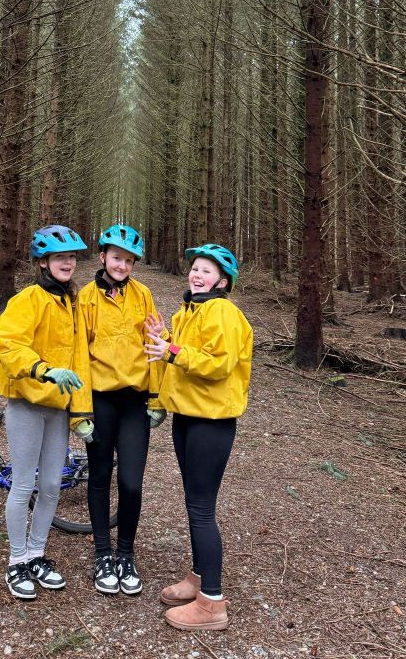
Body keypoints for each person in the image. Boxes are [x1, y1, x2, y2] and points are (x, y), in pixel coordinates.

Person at [145, 243, 252, 632]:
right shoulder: (190, 311)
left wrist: (171, 350)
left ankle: (212, 603)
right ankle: (199, 577)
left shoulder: (224, 312)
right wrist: (166, 338)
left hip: (211, 421)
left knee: (202, 508)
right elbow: (185, 354)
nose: (197, 274)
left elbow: (218, 365)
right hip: (188, 417)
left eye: (207, 270)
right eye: (195, 268)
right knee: (194, 504)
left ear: (222, 281)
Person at [0, 224, 94, 601]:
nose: (67, 263)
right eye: (59, 257)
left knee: (51, 485)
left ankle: (37, 554)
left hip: (58, 408)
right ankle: (16, 560)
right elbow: (10, 346)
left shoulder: (73, 303)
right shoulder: (27, 300)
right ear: (43, 262)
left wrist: (81, 414)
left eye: (71, 258)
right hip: (27, 403)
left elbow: (81, 360)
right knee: (23, 484)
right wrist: (44, 369)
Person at [76, 223, 166, 596]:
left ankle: (126, 555)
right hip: (100, 400)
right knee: (99, 477)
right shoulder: (86, 298)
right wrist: (80, 412)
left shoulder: (143, 294)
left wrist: (157, 398)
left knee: (131, 481)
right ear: (102, 257)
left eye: (128, 261)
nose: (122, 266)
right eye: (116, 258)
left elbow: (155, 342)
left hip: (134, 401)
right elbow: (78, 355)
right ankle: (103, 554)